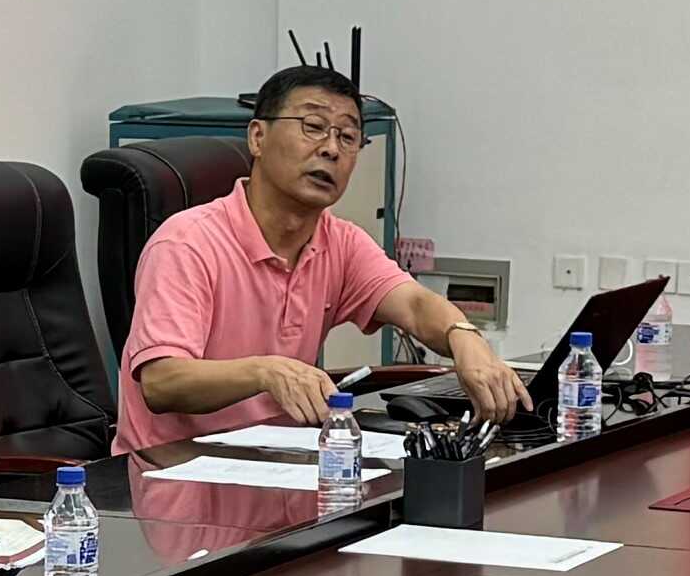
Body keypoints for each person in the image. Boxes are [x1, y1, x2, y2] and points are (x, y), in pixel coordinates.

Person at [115, 64, 528, 456]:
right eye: (312, 127)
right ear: (257, 138)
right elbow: (162, 381)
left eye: (348, 137)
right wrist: (266, 373)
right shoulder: (187, 244)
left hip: (278, 467)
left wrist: (465, 338)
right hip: (169, 476)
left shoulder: (340, 241)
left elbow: (416, 305)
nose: (331, 149)